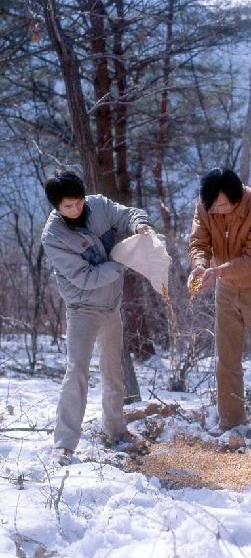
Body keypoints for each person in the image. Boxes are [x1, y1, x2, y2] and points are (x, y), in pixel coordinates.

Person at [42, 170, 151, 464]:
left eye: (78, 202)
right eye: (68, 206)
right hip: (82, 309)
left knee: (113, 370)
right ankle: (64, 443)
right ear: (56, 207)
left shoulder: (99, 205)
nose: (76, 209)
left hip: (111, 306)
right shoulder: (53, 237)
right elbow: (85, 277)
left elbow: (127, 214)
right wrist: (122, 261)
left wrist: (139, 225)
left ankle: (116, 430)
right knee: (77, 370)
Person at [188, 167, 251, 438]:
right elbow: (199, 242)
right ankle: (231, 421)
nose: (215, 212)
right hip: (225, 289)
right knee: (226, 358)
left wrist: (217, 271)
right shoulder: (206, 206)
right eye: (211, 207)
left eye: (221, 207)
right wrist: (199, 265)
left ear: (237, 197)